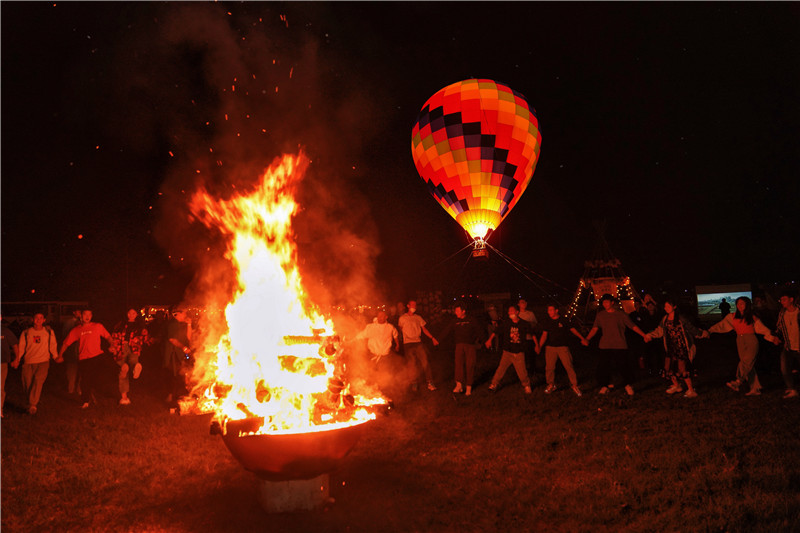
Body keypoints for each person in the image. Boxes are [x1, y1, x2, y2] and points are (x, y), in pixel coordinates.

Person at [706, 296, 776, 396]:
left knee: (747, 362)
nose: (740, 305)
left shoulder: (752, 316)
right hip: (740, 340)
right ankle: (755, 388)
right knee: (747, 364)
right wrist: (710, 331)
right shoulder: (732, 316)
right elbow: (721, 325)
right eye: (738, 303)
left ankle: (738, 381)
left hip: (751, 340)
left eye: (742, 303)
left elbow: (762, 328)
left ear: (747, 304)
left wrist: (772, 337)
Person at [582, 294, 647, 396]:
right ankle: (605, 385)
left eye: (607, 302)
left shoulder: (621, 314)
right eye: (603, 302)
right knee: (603, 366)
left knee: (623, 366)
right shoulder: (601, 315)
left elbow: (632, 326)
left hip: (619, 344)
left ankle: (628, 385)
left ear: (612, 302)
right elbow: (595, 328)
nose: (605, 304)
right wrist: (587, 338)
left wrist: (644, 335)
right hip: (605, 345)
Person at [644, 298, 705, 398]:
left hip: (682, 348)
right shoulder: (665, 319)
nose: (666, 308)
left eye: (668, 306)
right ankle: (677, 386)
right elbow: (659, 330)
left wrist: (701, 334)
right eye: (665, 307)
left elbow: (691, 328)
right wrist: (650, 335)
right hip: (670, 347)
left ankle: (690, 390)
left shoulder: (681, 318)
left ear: (674, 307)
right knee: (670, 369)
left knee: (683, 369)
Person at [58, 309, 113, 409]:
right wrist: (60, 355)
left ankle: (94, 391)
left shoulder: (97, 326)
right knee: (85, 381)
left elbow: (108, 336)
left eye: (89, 314)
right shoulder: (77, 330)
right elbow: (66, 343)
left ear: (91, 316)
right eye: (85, 314)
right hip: (84, 358)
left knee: (101, 376)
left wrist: (112, 345)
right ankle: (85, 401)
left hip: (97, 356)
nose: (87, 316)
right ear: (81, 316)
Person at [15, 312, 59, 414]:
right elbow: (21, 347)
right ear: (32, 319)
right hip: (29, 361)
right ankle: (30, 402)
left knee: (38, 381)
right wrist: (17, 359)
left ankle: (33, 405)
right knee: (27, 383)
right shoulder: (26, 332)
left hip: (43, 361)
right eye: (36, 318)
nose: (38, 320)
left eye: (41, 318)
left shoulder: (48, 331)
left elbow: (53, 344)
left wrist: (55, 356)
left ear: (44, 320)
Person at [537, 304, 584, 396]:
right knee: (549, 367)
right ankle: (551, 384)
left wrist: (582, 338)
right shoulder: (547, 321)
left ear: (556, 310)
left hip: (563, 347)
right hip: (550, 347)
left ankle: (574, 385)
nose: (549, 312)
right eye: (548, 310)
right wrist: (539, 346)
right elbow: (544, 335)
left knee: (568, 366)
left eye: (551, 310)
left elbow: (572, 329)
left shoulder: (564, 320)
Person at [486, 305, 534, 394]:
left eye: (512, 311)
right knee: (501, 369)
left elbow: (532, 333)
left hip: (519, 352)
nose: (510, 313)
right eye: (509, 311)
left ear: (517, 312)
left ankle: (526, 386)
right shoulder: (506, 323)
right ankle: (494, 384)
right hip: (507, 352)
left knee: (522, 372)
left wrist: (537, 345)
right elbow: (496, 331)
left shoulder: (524, 324)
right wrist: (489, 340)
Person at [438, 302, 484, 396]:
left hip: (470, 345)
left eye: (458, 311)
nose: (456, 312)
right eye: (455, 311)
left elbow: (479, 331)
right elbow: (447, 330)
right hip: (459, 345)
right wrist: (438, 339)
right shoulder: (455, 321)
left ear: (463, 311)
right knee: (458, 365)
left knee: (470, 365)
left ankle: (468, 387)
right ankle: (459, 385)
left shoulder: (471, 320)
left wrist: (485, 341)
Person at [355, 310, 401, 396]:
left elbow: (395, 335)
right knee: (371, 374)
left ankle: (383, 392)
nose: (380, 318)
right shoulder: (371, 327)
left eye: (382, 316)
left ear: (386, 317)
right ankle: (370, 392)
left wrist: (397, 344)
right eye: (379, 316)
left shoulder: (390, 327)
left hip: (385, 356)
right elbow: (362, 335)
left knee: (384, 375)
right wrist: (352, 340)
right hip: (373, 355)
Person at [110, 308, 150, 405]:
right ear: (127, 314)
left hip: (134, 348)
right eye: (129, 313)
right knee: (123, 369)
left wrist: (153, 340)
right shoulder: (120, 324)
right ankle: (124, 397)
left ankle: (135, 368)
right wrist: (112, 346)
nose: (131, 315)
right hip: (122, 347)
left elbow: (146, 337)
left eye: (133, 313)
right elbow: (114, 336)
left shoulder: (140, 326)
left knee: (132, 364)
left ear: (136, 314)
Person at [397, 300, 439, 392]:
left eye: (415, 305)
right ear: (408, 306)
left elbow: (424, 329)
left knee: (425, 361)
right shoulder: (402, 318)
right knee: (412, 364)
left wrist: (432, 338)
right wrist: (400, 339)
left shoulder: (418, 317)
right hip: (408, 344)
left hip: (418, 342)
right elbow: (400, 329)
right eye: (412, 305)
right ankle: (414, 383)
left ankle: (430, 382)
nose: (414, 307)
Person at [771, 288, 800, 399]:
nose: (781, 302)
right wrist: (776, 337)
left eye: (784, 299)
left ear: (791, 300)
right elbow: (779, 328)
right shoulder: (782, 313)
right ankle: (791, 389)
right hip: (788, 347)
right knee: (784, 368)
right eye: (781, 300)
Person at [163, 307, 193, 409]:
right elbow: (172, 339)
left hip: (181, 355)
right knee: (174, 375)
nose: (186, 315)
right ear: (178, 314)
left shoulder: (182, 325)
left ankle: (178, 397)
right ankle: (171, 398)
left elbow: (189, 338)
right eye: (184, 313)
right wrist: (183, 347)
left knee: (182, 375)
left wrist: (189, 324)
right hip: (173, 354)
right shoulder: (172, 324)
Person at [1, 313, 20, 417]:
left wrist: (16, 358)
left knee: (0, 387)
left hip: (2, 363)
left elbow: (15, 345)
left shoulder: (5, 331)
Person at [60, 308, 82, 396]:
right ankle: (71, 388)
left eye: (81, 312)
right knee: (71, 370)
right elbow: (65, 335)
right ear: (74, 312)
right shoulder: (69, 322)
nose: (79, 313)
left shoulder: (83, 322)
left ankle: (79, 388)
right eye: (78, 311)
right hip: (71, 349)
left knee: (82, 370)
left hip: (80, 350)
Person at [517, 298, 540, 379]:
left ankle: (532, 371)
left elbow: (535, 324)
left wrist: (529, 325)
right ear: (518, 304)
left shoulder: (530, 314)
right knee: (522, 356)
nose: (523, 304)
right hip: (521, 339)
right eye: (522, 302)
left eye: (524, 302)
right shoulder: (517, 314)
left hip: (530, 338)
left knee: (531, 356)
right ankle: (523, 372)